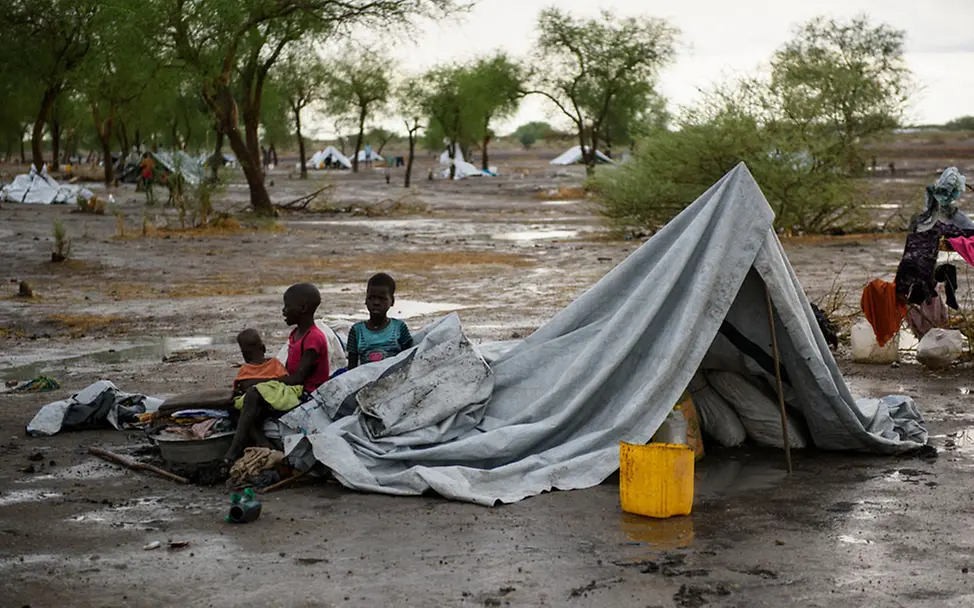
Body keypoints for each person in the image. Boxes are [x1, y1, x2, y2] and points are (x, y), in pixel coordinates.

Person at [224, 283, 330, 463]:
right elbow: (287, 372)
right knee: (235, 407)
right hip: (293, 389)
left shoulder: (313, 338)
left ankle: (232, 453)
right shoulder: (296, 334)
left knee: (253, 394)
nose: (283, 311)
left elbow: (298, 379)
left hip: (308, 394)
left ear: (303, 308)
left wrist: (258, 383)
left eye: (287, 306)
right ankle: (265, 446)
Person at [347, 273, 413, 369]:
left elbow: (408, 361)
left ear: (392, 301)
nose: (376, 302)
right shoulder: (356, 331)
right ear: (365, 300)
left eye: (382, 299)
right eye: (371, 298)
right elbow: (351, 368)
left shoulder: (399, 328)